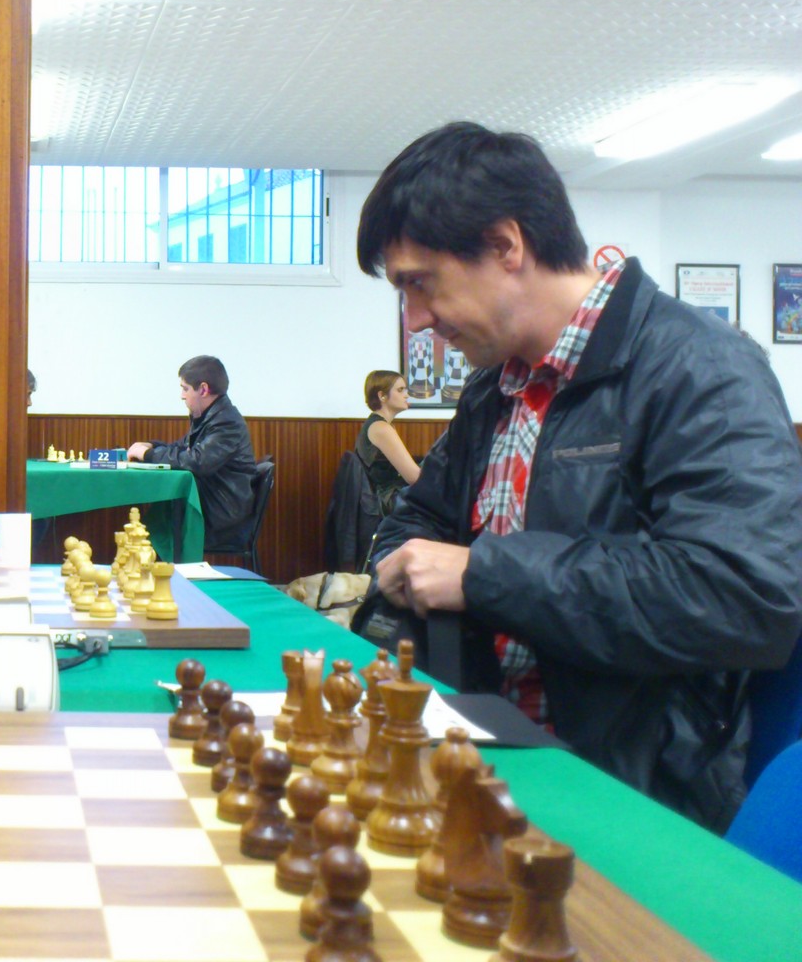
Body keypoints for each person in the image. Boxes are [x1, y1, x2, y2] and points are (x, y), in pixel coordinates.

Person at [355, 120, 802, 830]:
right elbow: (415, 524)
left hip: (632, 801)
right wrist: (413, 571)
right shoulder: (493, 387)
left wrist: (483, 576)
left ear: (506, 246)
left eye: (419, 284)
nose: (413, 320)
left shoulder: (702, 368)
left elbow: (744, 599)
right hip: (487, 763)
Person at [127, 356, 257, 553]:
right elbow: (181, 448)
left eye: (185, 388)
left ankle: (161, 569)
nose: (182, 396)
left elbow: (197, 461)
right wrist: (151, 446)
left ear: (203, 389)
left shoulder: (226, 422)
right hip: (211, 502)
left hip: (220, 514)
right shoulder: (210, 416)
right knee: (153, 517)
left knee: (149, 525)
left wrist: (148, 454)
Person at [355, 369, 420, 514]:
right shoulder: (381, 428)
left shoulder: (380, 424)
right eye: (400, 390)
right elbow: (414, 477)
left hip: (385, 497)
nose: (406, 395)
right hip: (384, 502)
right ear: (382, 396)